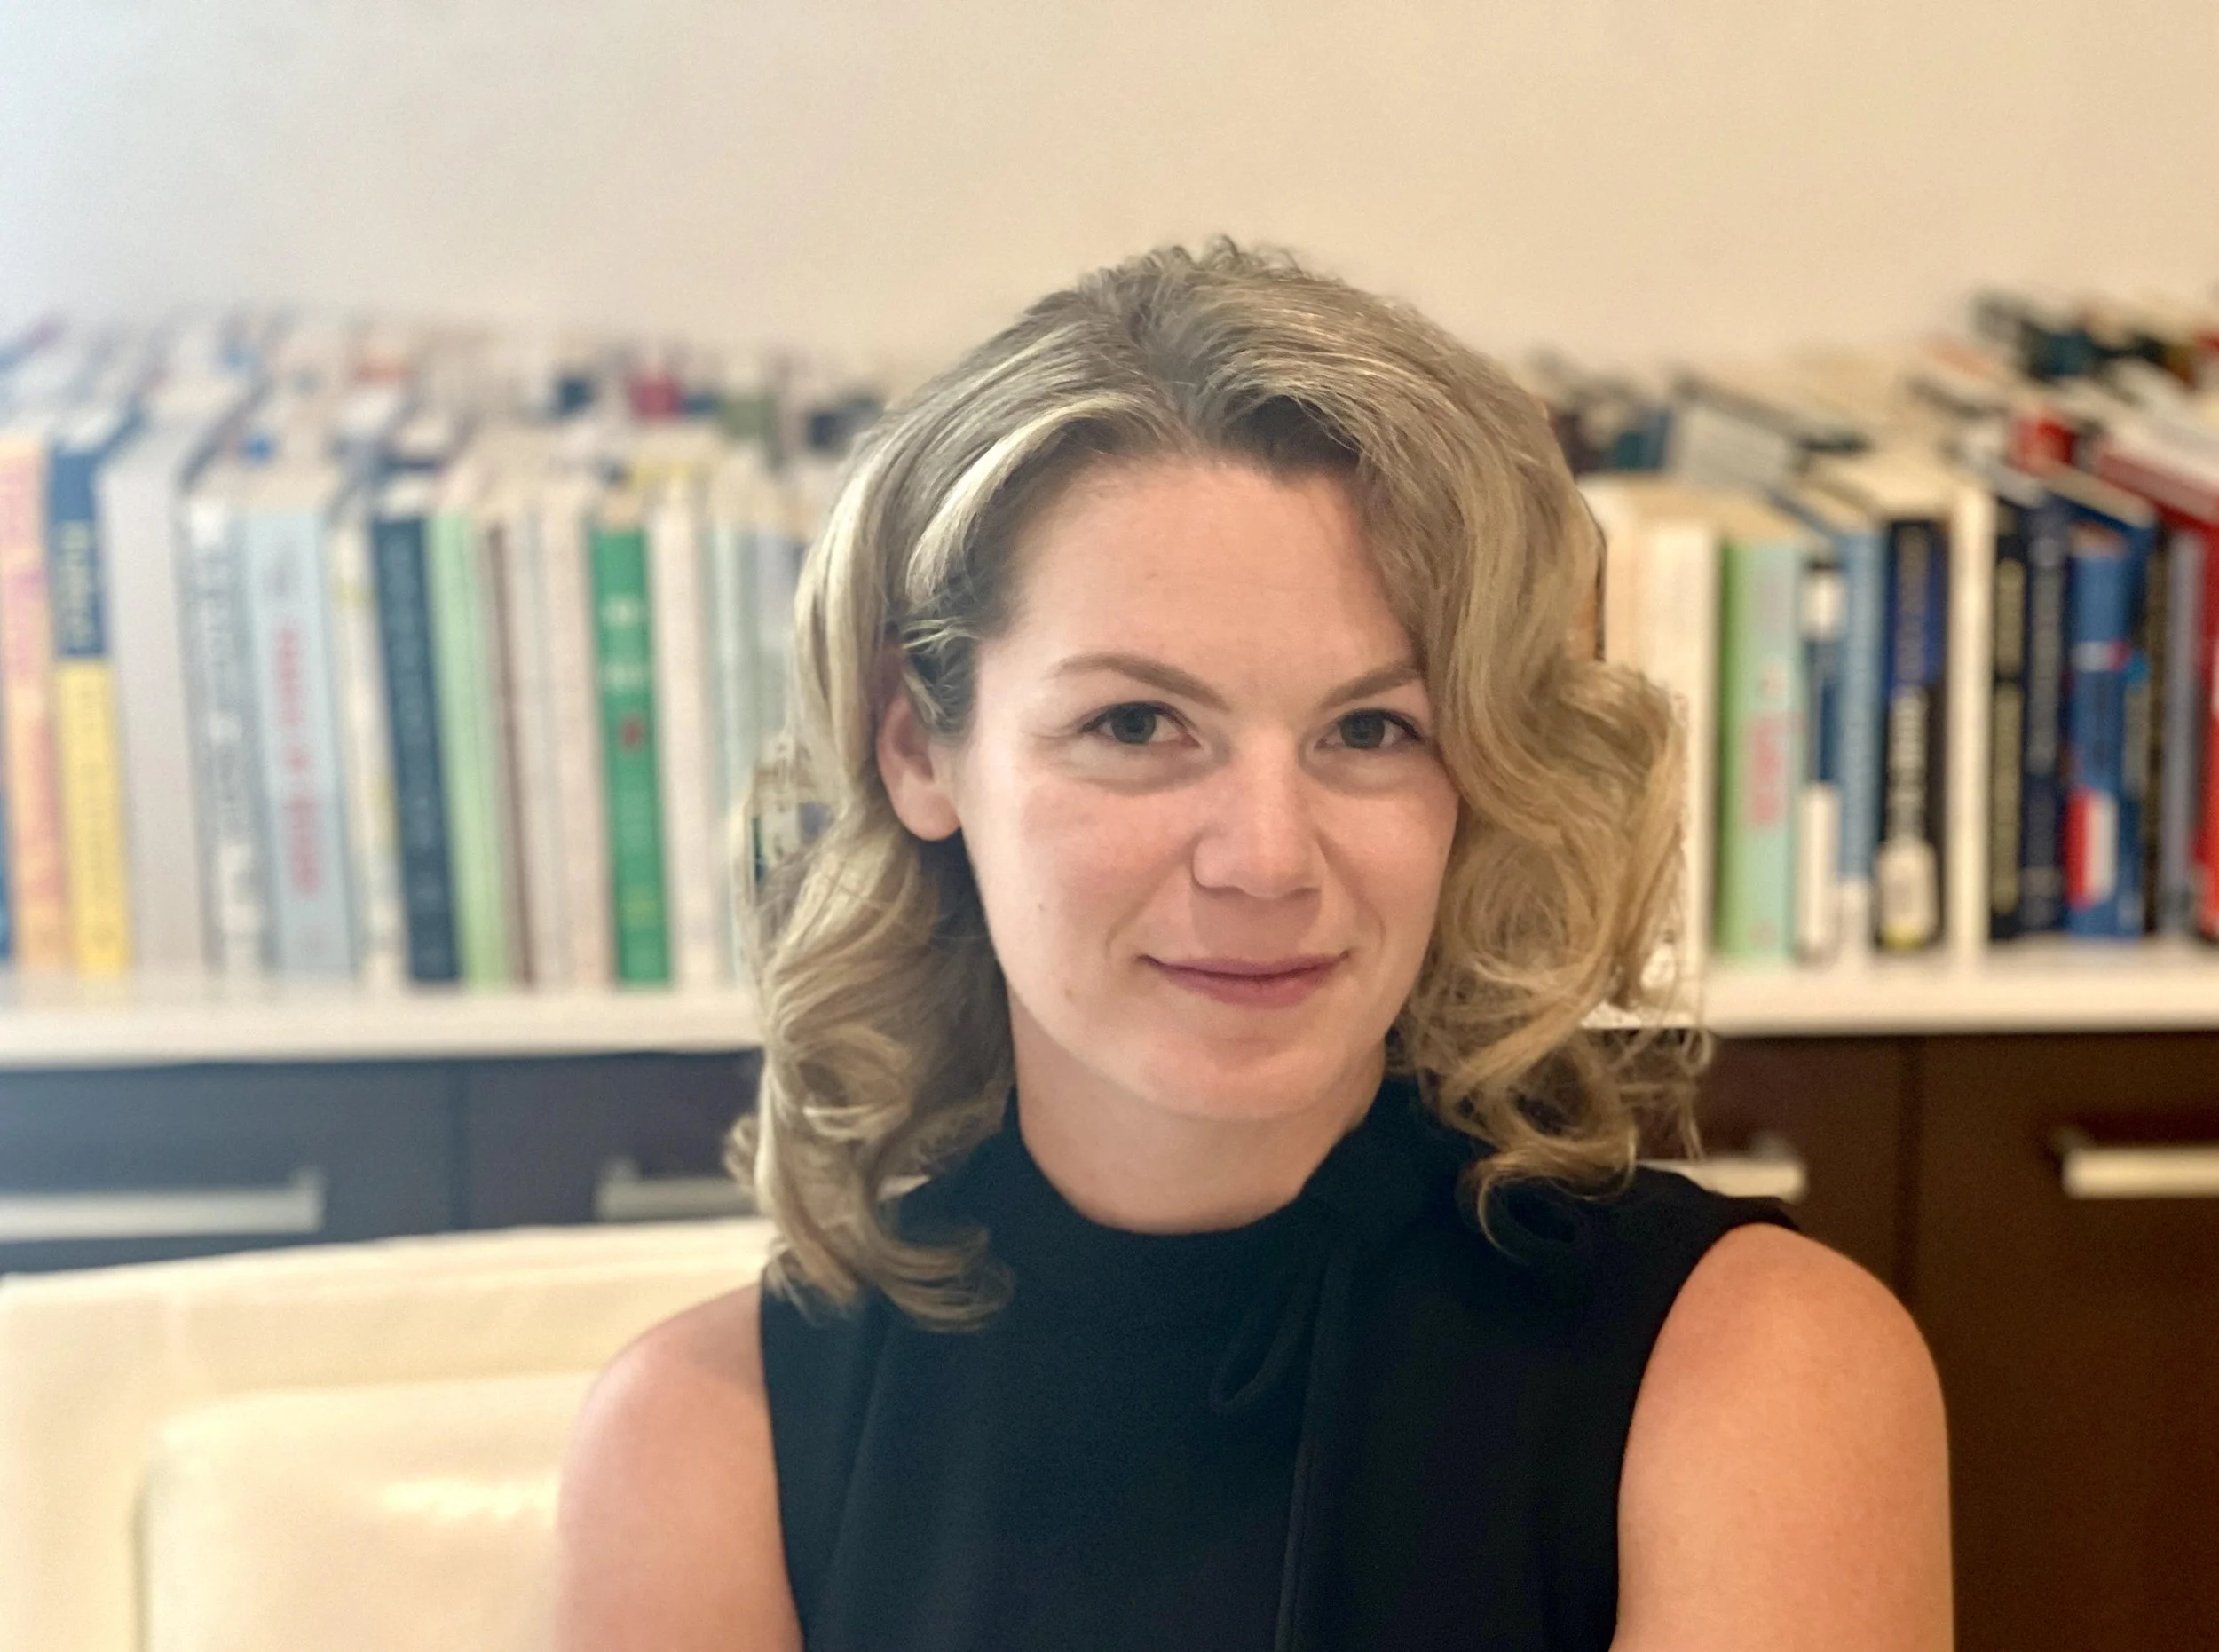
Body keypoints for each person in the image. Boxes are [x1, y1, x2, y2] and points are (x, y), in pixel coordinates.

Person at [553, 241, 1953, 1651]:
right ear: (920, 750)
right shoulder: (701, 1448)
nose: (1267, 859)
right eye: (1137, 726)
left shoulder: (1759, 1379)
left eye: (1370, 731)